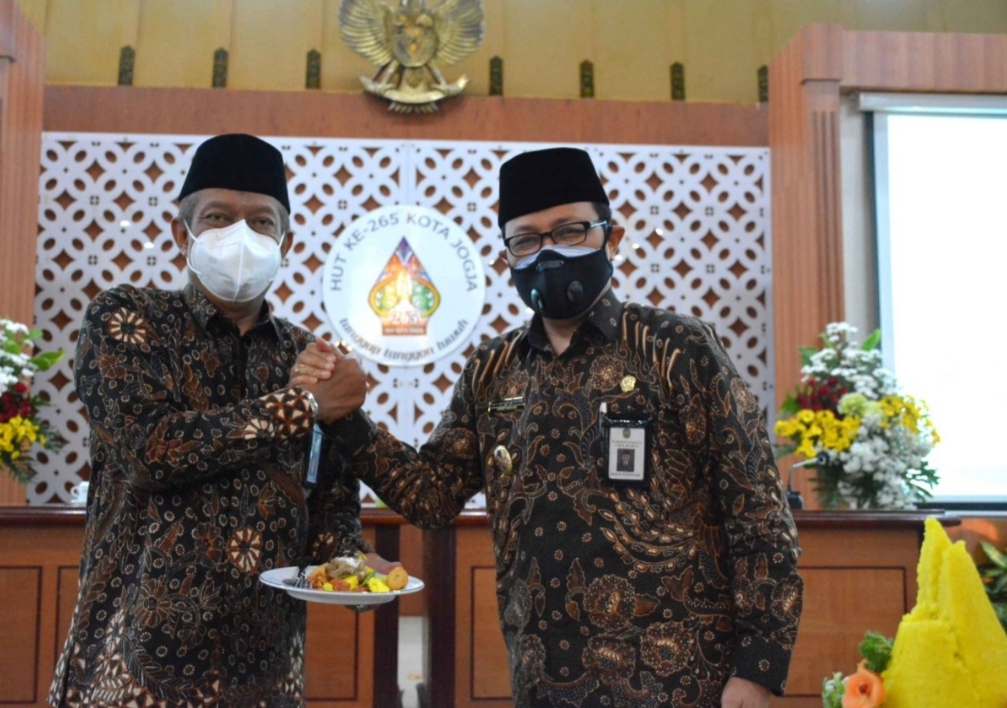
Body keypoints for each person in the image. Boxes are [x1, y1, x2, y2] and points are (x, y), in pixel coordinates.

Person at [294, 147, 803, 707]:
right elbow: (432, 496)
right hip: (542, 681)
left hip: (685, 681)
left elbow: (757, 511)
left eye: (570, 231)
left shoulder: (677, 349)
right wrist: (344, 417)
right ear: (508, 254)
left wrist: (758, 668)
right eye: (527, 240)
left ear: (613, 237)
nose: (549, 253)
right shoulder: (492, 371)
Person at [49, 133, 389, 706]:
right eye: (218, 217)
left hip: (263, 671)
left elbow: (328, 496)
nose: (241, 235)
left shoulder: (306, 356)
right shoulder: (129, 320)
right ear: (182, 233)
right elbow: (147, 451)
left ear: (285, 240)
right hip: (131, 664)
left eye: (261, 221)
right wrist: (302, 407)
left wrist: (350, 565)